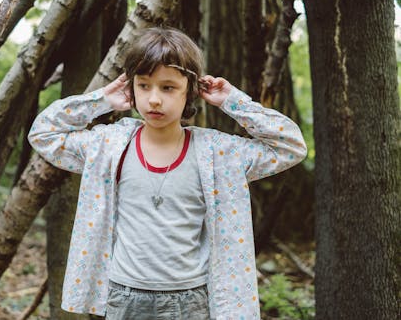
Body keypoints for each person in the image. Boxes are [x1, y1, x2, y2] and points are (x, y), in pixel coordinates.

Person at [28, 27, 307, 320]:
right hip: (123, 295)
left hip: (190, 300)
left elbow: (289, 146)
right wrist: (101, 100)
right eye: (144, 85)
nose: (154, 99)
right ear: (131, 88)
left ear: (191, 90)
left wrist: (232, 101)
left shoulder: (217, 153)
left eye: (168, 87)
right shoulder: (108, 147)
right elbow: (43, 133)